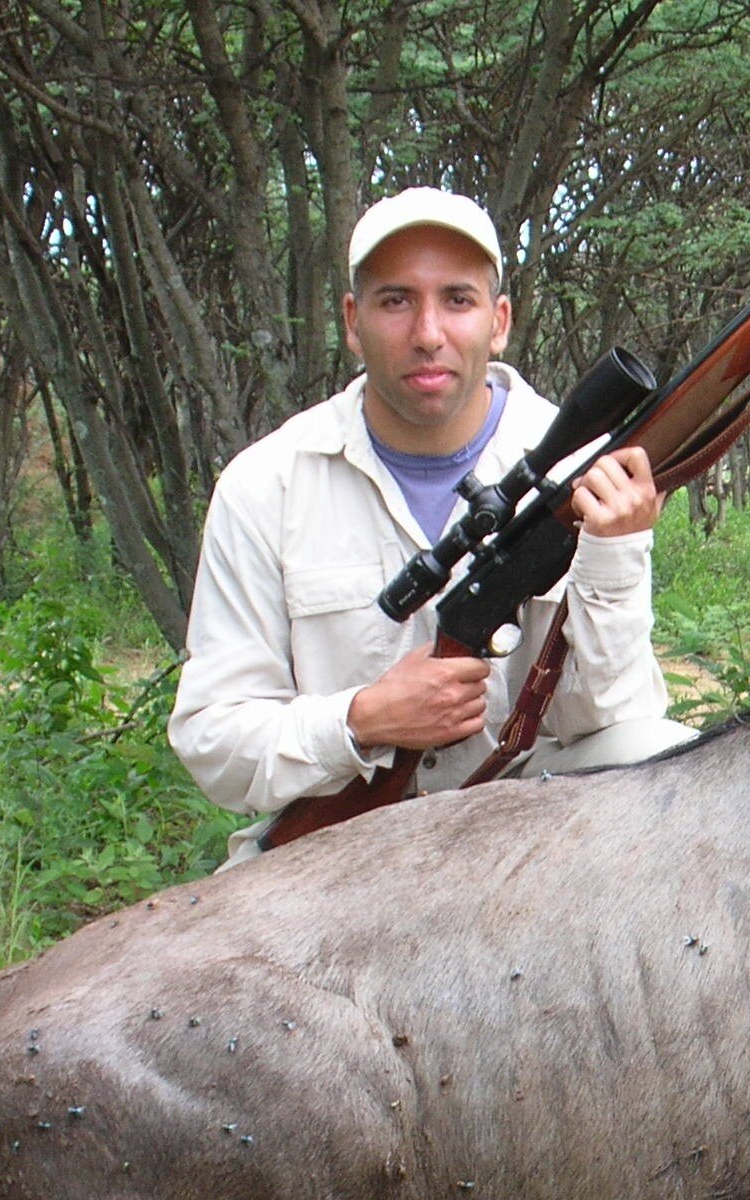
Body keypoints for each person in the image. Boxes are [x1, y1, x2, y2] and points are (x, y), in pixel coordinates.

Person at [170, 186, 695, 866]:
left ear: (498, 320)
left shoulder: (583, 462)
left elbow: (609, 720)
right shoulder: (265, 484)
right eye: (396, 300)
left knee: (663, 758)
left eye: (457, 299)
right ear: (353, 321)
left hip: (527, 827)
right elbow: (213, 739)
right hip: (336, 844)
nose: (427, 334)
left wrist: (615, 551)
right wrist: (360, 721)